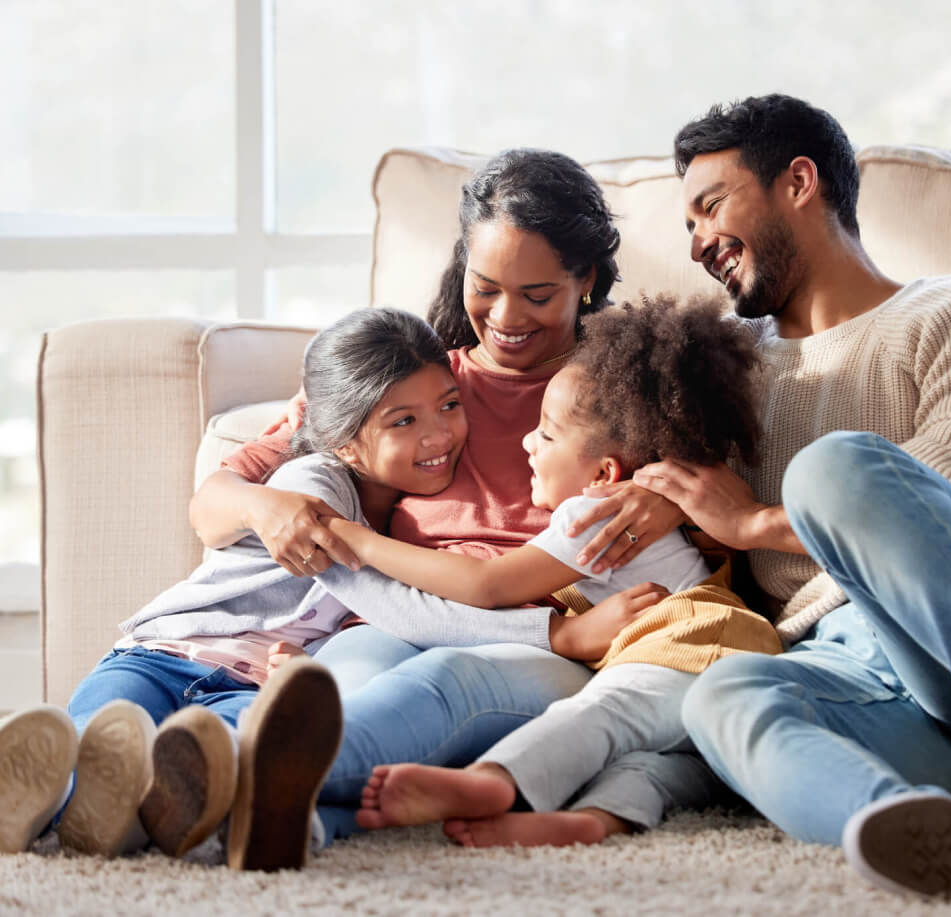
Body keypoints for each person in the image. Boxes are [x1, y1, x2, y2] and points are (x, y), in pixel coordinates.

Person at [572, 93, 951, 897]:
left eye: (708, 207)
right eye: (687, 225)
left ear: (798, 181)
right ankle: (922, 832)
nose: (696, 242)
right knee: (723, 696)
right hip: (849, 666)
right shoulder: (721, 366)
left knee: (831, 469)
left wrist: (756, 519)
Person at [186, 149, 717, 851]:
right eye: (486, 285)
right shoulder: (413, 378)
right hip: (396, 614)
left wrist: (667, 497)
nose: (505, 316)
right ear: (460, 266)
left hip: (534, 638)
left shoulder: (618, 391)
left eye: (536, 294)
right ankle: (283, 820)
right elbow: (220, 497)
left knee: (443, 682)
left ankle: (223, 783)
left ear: (584, 280)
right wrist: (265, 509)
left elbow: (722, 496)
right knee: (343, 686)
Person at [0, 306, 555, 868]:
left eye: (449, 405)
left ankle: (107, 822)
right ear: (344, 443)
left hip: (252, 689)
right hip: (158, 657)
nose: (439, 434)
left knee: (200, 773)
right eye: (403, 422)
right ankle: (46, 797)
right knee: (97, 739)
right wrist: (554, 634)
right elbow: (397, 607)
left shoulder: (415, 523)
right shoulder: (311, 489)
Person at [331, 296, 781, 848]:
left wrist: (363, 542)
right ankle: (591, 821)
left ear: (604, 471)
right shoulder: (629, 502)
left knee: (603, 713)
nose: (526, 441)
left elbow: (485, 585)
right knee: (656, 761)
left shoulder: (591, 513)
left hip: (695, 640)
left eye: (544, 435)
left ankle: (493, 782)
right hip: (719, 658)